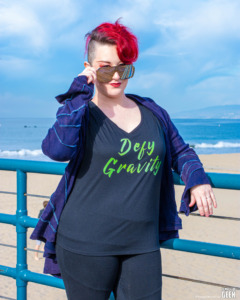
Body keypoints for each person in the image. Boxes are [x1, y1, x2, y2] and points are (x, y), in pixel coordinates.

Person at [30, 18, 217, 300]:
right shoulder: (81, 113)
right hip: (85, 244)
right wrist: (80, 89)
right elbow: (58, 149)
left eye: (124, 68)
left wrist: (198, 180)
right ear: (89, 68)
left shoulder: (153, 111)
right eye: (105, 69)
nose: (116, 77)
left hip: (142, 244)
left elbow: (180, 151)